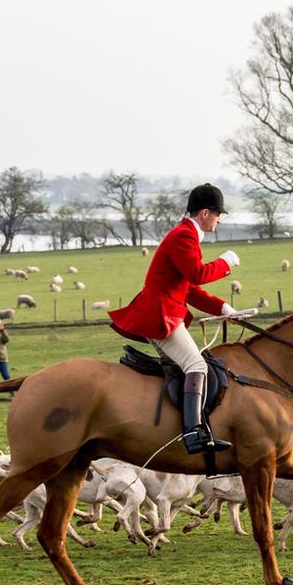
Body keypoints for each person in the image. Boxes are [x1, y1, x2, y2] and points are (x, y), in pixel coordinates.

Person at [109, 183, 239, 455]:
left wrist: (223, 307)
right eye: (218, 214)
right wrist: (225, 262)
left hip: (164, 311)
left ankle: (170, 427)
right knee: (197, 366)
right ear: (205, 213)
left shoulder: (186, 236)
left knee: (180, 367)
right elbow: (198, 274)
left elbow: (188, 289)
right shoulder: (183, 236)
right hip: (160, 315)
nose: (219, 220)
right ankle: (194, 434)